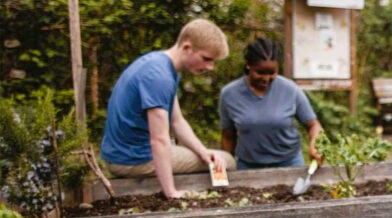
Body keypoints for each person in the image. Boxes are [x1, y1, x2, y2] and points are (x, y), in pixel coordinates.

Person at [101, 19, 236, 199]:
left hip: (122, 154)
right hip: (132, 159)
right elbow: (159, 140)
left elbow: (177, 121)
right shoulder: (160, 77)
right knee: (227, 160)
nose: (210, 67)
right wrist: (171, 192)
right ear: (187, 48)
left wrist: (204, 152)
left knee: (212, 157)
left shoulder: (160, 65)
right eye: (206, 59)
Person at [219, 38, 323, 170]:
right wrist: (223, 170)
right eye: (260, 72)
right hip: (248, 166)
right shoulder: (230, 94)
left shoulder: (290, 89)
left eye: (272, 73)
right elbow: (228, 136)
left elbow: (313, 125)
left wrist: (315, 144)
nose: (266, 78)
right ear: (248, 65)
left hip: (290, 163)